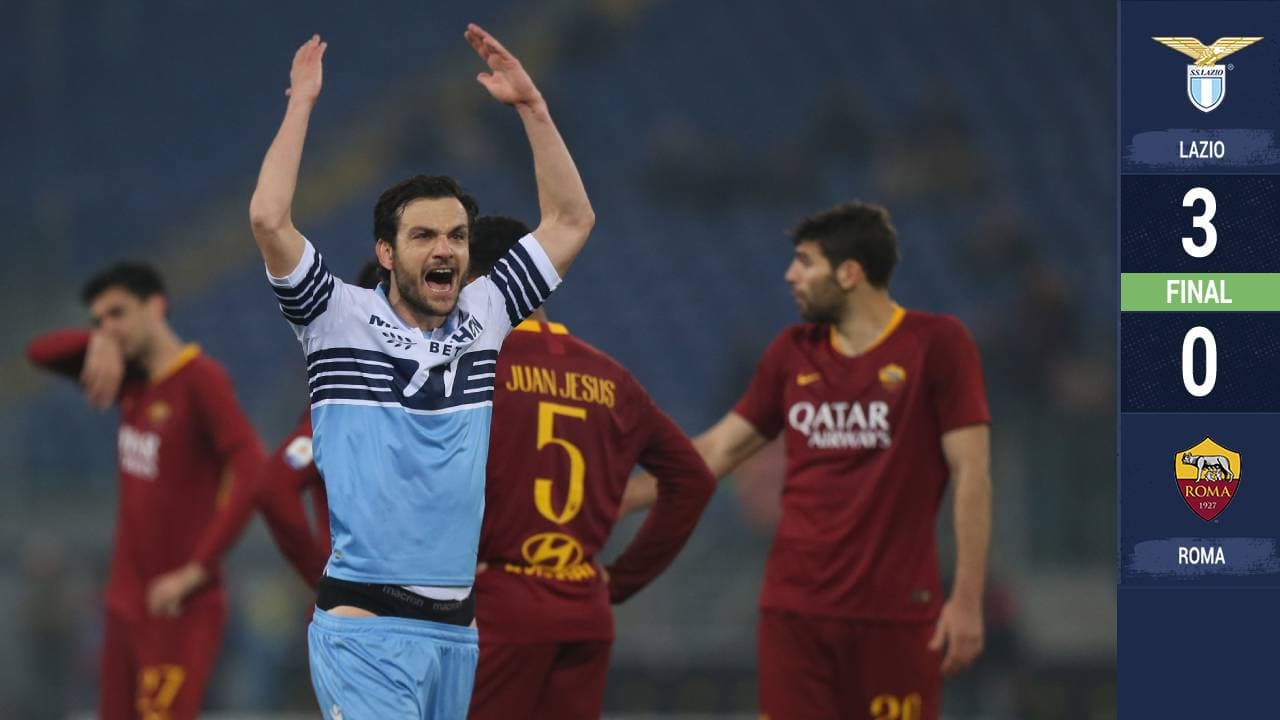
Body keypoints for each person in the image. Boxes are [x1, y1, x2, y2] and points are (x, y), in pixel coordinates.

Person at [248, 25, 594, 719]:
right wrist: (302, 105)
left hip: (456, 632)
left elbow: (570, 218)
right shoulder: (333, 315)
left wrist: (533, 109)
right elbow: (267, 217)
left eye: (458, 237)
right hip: (366, 629)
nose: (447, 249)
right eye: (425, 236)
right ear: (386, 252)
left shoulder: (486, 311)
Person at [621, 202, 992, 720]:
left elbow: (973, 472)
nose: (789, 275)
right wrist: (616, 499)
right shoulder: (791, 353)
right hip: (794, 613)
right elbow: (716, 451)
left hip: (894, 614)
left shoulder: (937, 344)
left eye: (805, 262)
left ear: (849, 273)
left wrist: (968, 599)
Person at [464, 216, 715, 720]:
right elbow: (693, 479)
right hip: (584, 611)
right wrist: (618, 582)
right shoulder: (609, 376)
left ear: (481, 282)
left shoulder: (472, 369)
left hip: (500, 607)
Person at [25, 262, 263, 720]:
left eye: (117, 313)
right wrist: (93, 341)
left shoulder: (201, 380)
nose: (108, 328)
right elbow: (38, 352)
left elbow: (251, 467)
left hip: (178, 606)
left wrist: (197, 570)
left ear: (155, 306)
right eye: (98, 320)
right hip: (122, 603)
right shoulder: (129, 379)